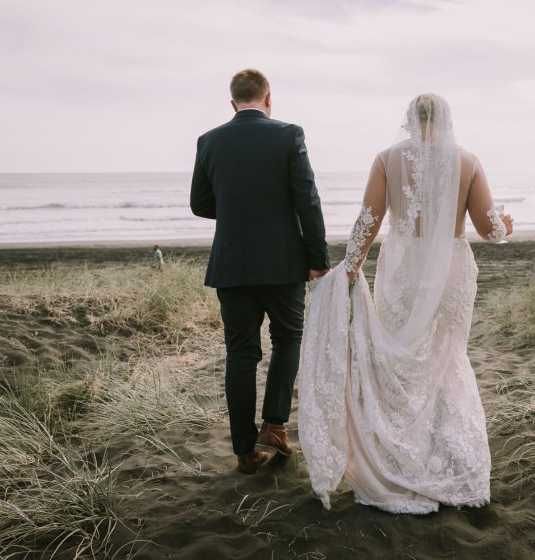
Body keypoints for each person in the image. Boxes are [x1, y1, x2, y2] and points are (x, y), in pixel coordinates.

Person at [299, 93, 513, 514]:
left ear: (410, 120)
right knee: (446, 360)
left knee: (401, 361)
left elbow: (368, 219)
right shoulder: (467, 161)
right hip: (452, 270)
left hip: (402, 270)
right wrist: (508, 224)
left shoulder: (386, 159)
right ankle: (451, 460)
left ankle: (401, 456)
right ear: (447, 120)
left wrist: (348, 270)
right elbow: (489, 229)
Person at [190, 69, 330, 475]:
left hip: (232, 263)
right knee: (288, 339)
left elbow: (200, 203)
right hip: (283, 263)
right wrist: (318, 258)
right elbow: (309, 200)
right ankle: (274, 425)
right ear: (269, 99)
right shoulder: (289, 135)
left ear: (232, 103)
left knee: (241, 353)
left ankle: (243, 452)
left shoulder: (209, 140)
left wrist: (237, 210)